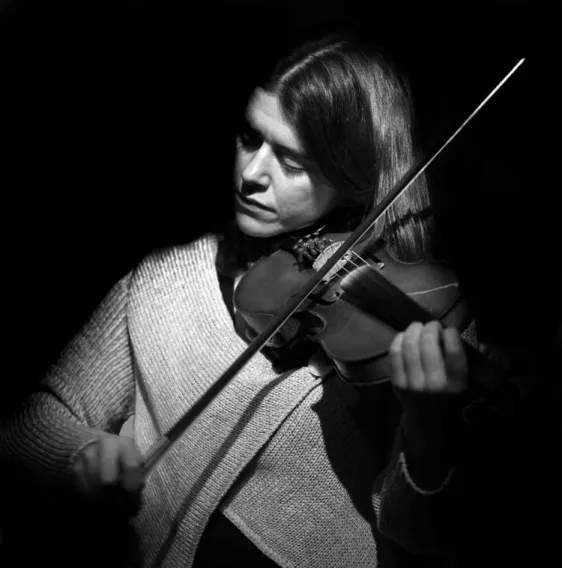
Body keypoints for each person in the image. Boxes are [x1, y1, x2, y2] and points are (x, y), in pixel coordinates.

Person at [0, 31, 477, 567]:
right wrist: (81, 457)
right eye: (252, 138)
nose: (252, 174)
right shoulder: (171, 274)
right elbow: (34, 418)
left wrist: (429, 425)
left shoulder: (414, 313)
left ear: (356, 180)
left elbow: (437, 540)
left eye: (292, 163)